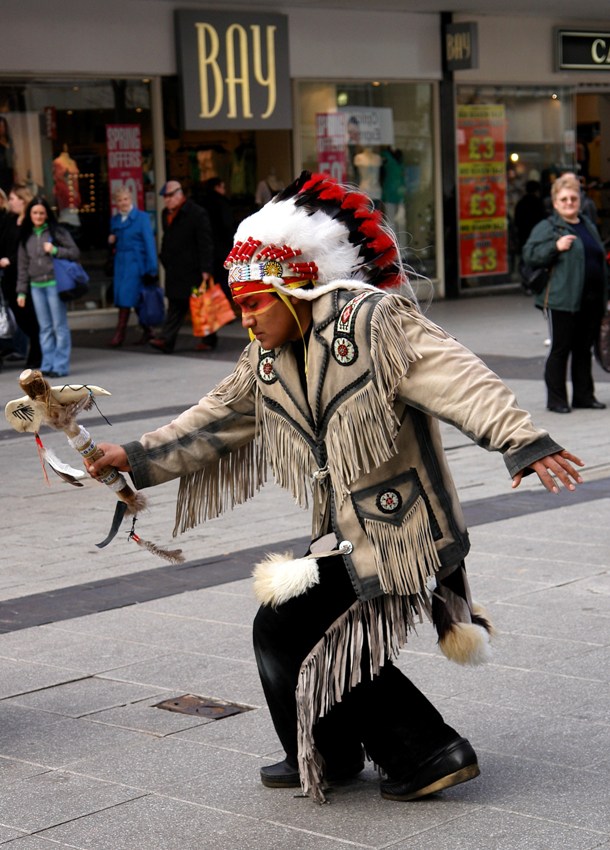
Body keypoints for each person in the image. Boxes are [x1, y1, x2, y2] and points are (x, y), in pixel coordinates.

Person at [88, 172, 583, 805]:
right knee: (279, 629)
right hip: (341, 535)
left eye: (253, 305)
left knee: (292, 628)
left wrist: (522, 439)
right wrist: (130, 455)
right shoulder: (268, 355)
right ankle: (326, 751)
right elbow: (216, 417)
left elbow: (458, 375)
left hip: (403, 531)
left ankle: (426, 749)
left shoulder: (372, 323)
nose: (245, 321)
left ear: (291, 288)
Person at [523, 171, 608, 413]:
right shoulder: (549, 227)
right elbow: (530, 254)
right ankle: (557, 399)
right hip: (561, 299)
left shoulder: (587, 224)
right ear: (555, 202)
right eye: (564, 199)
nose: (570, 203)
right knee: (561, 349)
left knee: (583, 349)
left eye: (573, 198)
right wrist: (555, 247)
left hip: (590, 299)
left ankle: (584, 396)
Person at [16, 195, 79, 378]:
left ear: (47, 214)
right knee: (44, 328)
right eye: (35, 212)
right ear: (30, 214)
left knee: (59, 326)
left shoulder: (56, 231)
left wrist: (55, 250)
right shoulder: (25, 235)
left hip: (54, 284)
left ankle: (60, 365)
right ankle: (47, 364)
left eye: (42, 213)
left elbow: (74, 252)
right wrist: (21, 291)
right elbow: (22, 265)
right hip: (36, 286)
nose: (38, 216)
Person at [149, 180, 214, 354]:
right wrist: (164, 258)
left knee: (199, 305)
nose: (167, 200)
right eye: (165, 197)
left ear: (180, 194)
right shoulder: (166, 214)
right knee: (176, 305)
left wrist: (206, 269)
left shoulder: (196, 213)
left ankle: (208, 338)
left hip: (193, 269)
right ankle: (166, 340)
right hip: (175, 269)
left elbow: (205, 242)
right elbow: (167, 239)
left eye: (170, 196)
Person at [107, 186, 158, 347]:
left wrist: (152, 268)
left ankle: (119, 333)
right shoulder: (115, 220)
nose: (123, 203)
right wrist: (110, 242)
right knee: (133, 299)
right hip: (120, 264)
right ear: (116, 202)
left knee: (126, 297)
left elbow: (149, 244)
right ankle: (148, 331)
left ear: (131, 200)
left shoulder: (141, 218)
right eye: (120, 200)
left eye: (126, 199)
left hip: (136, 264)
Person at [0, 183, 41, 367]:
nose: (10, 202)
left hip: (26, 276)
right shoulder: (10, 219)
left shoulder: (31, 222)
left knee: (29, 315)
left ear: (23, 201)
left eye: (13, 199)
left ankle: (37, 353)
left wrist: (11, 260)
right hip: (9, 276)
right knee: (19, 315)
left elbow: (31, 249)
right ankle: (36, 349)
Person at [195, 177, 236, 303]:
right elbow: (228, 226)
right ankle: (224, 307)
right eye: (223, 187)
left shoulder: (201, 204)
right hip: (222, 248)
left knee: (214, 280)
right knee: (224, 279)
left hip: (208, 248)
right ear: (217, 187)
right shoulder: (222, 203)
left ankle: (217, 307)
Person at [514, 179, 546, 251]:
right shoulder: (538, 203)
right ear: (537, 191)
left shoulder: (520, 203)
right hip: (537, 237)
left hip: (523, 236)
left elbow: (516, 220)